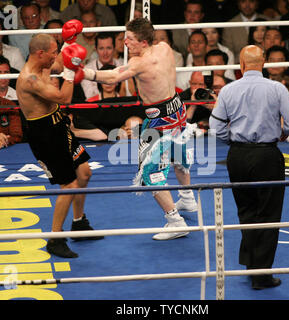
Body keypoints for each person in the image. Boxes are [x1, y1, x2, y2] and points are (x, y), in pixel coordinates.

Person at [67, 18, 198, 240]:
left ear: (143, 41)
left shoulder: (140, 62)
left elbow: (114, 75)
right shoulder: (164, 48)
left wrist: (84, 73)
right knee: (178, 156)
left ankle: (175, 221)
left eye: (130, 39)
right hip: (177, 111)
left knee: (150, 173)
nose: (125, 42)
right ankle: (187, 198)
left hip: (159, 120)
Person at [209, 45, 289, 289]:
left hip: (238, 155)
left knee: (246, 209)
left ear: (241, 64)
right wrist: (283, 133)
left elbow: (216, 127)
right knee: (268, 213)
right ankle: (261, 275)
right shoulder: (277, 89)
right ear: (263, 63)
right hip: (266, 155)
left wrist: (235, 141)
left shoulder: (228, 90)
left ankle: (252, 265)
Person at [16, 23, 103, 259]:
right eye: (53, 52)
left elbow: (64, 61)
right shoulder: (30, 78)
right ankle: (55, 239)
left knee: (84, 173)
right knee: (70, 185)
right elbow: (64, 97)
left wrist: (70, 43)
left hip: (59, 125)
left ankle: (79, 223)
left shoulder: (44, 64)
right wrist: (71, 71)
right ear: (40, 53)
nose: (56, 56)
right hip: (44, 134)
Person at [81, 32, 120, 100]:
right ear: (96, 49)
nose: (105, 53)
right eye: (101, 48)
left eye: (109, 48)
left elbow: (127, 94)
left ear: (114, 48)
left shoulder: (122, 65)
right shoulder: (87, 69)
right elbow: (90, 97)